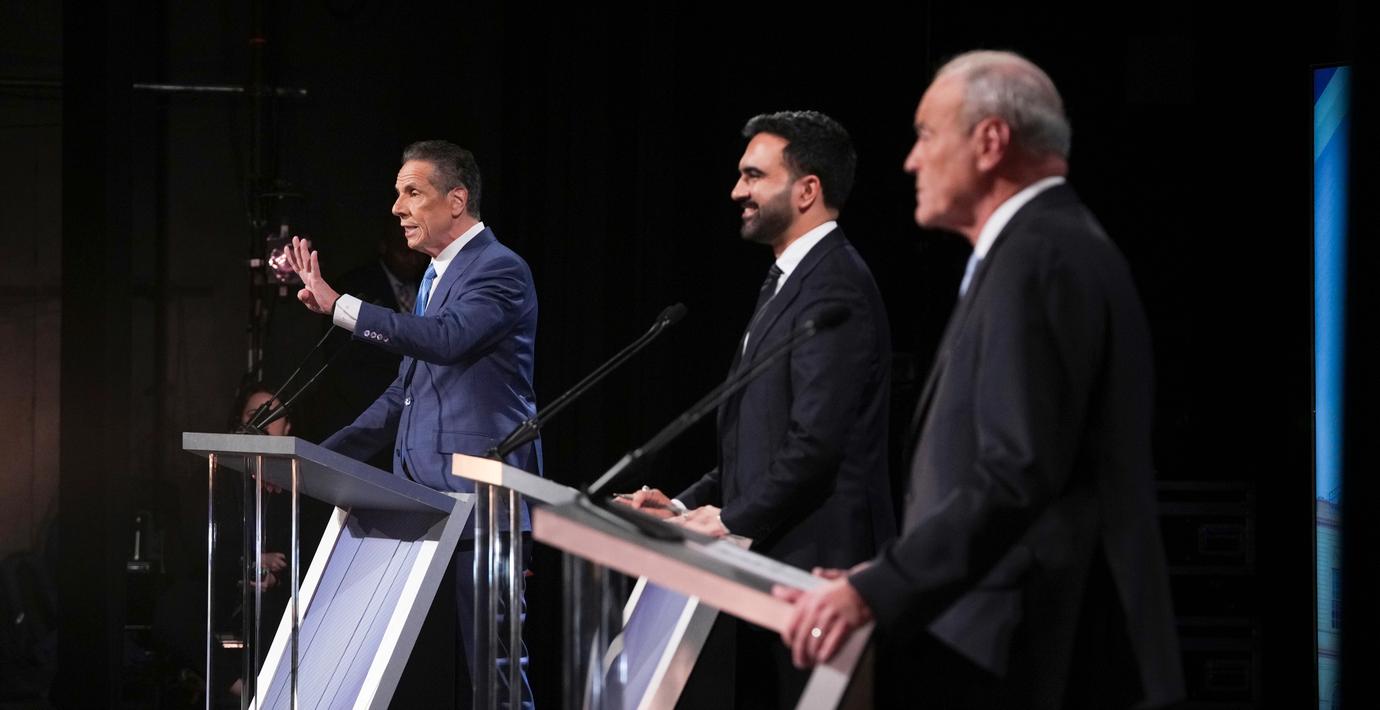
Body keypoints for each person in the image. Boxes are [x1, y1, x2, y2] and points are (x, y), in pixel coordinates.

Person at [774, 51, 1185, 709]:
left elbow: (1015, 473)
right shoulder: (1037, 247)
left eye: (927, 135)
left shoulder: (1040, 255)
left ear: (991, 142)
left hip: (1048, 656)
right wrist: (886, 573)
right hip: (1019, 640)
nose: (912, 160)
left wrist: (875, 590)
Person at [624, 110, 895, 707]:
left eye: (754, 176)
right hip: (776, 563)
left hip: (820, 570)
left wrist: (727, 518)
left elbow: (815, 443)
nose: (736, 191)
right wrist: (685, 505)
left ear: (806, 190)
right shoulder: (789, 279)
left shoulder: (835, 284)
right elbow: (759, 438)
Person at [286, 140, 539, 707]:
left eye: (412, 193)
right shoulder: (433, 277)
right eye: (397, 194)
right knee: (409, 671)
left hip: (480, 504)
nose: (397, 208)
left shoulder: (500, 268)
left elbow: (447, 340)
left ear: (456, 200)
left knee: (495, 671)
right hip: (417, 504)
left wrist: (342, 307)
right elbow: (404, 393)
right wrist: (316, 458)